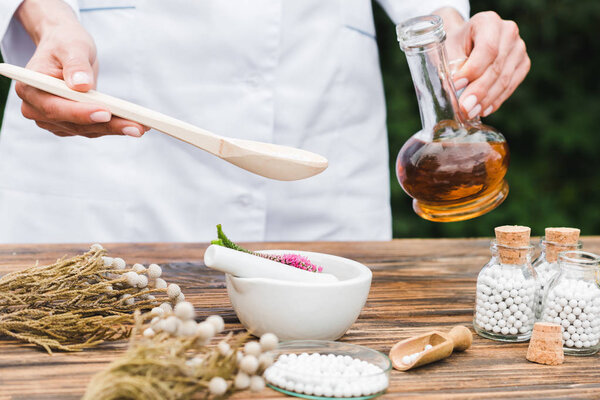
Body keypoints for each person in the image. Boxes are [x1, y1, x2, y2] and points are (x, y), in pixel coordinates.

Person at [0, 0, 529, 243]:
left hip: (315, 98)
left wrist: (449, 22)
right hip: (113, 110)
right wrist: (47, 17)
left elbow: (429, 14)